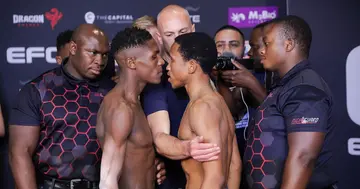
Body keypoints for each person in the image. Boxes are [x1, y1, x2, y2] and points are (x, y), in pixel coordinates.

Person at [8, 24, 115, 189]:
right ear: (73, 48)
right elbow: (20, 153)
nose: (100, 61)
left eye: (105, 55)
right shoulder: (38, 90)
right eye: (93, 53)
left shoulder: (112, 92)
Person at [244, 15, 337, 189]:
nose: (262, 50)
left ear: (288, 44)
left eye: (267, 43)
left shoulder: (305, 88)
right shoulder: (286, 85)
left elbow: (303, 157)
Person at [141, 5, 220, 189]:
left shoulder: (210, 73)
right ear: (159, 38)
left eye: (183, 31)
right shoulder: (157, 81)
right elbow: (159, 136)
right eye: (169, 34)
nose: (178, 39)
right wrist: (188, 148)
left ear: (193, 29)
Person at [167, 32, 241, 189]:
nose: (167, 67)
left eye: (172, 61)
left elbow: (215, 177)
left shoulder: (202, 107)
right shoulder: (218, 101)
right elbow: (235, 165)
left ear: (191, 66)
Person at [96, 27, 164, 189]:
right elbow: (107, 180)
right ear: (131, 62)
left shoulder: (135, 101)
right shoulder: (121, 108)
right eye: (154, 57)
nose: (161, 61)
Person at [213, 24, 268, 189]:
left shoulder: (261, 73)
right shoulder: (205, 78)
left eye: (233, 44)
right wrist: (219, 81)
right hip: (222, 163)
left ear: (244, 48)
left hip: (259, 160)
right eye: (220, 45)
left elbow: (271, 111)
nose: (227, 50)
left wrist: (249, 80)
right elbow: (231, 113)